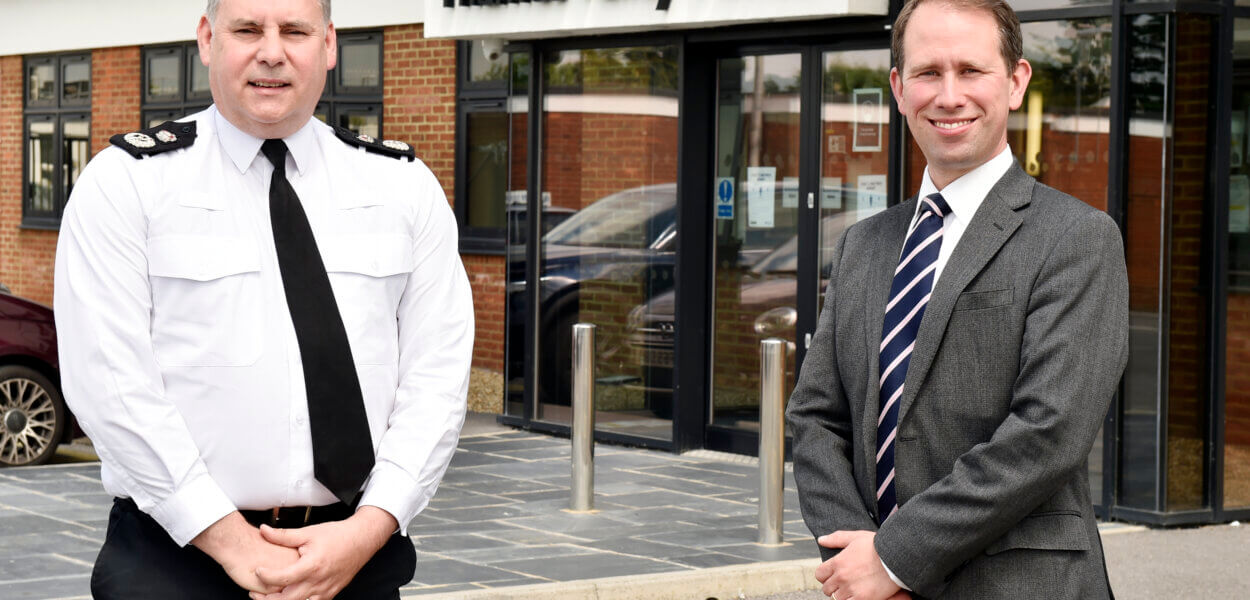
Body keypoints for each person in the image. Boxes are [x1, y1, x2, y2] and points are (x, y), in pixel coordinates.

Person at [53, 0, 473, 598]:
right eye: (248, 29)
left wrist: (372, 526)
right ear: (207, 38)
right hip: (176, 559)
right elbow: (110, 384)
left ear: (328, 44)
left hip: (354, 557)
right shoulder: (127, 185)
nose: (272, 51)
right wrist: (230, 539)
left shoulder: (400, 187)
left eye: (295, 31)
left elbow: (439, 374)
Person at [786, 0, 1128, 598]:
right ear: (897, 87)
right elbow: (815, 419)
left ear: (1016, 82)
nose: (948, 96)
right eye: (926, 72)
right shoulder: (864, 245)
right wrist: (857, 557)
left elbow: (1048, 432)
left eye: (971, 70)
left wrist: (893, 557)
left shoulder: (1077, 238)